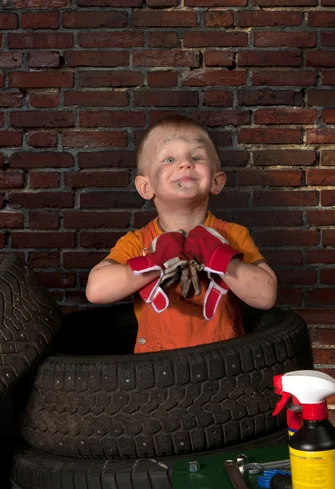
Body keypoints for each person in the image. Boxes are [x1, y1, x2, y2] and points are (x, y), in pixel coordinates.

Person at [86, 114, 277, 353]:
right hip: (155, 367)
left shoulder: (232, 234)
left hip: (225, 361)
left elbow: (266, 295)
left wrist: (219, 256)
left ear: (216, 182)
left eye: (197, 157)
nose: (185, 163)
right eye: (169, 158)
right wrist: (155, 261)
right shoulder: (138, 241)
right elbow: (96, 290)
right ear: (146, 187)